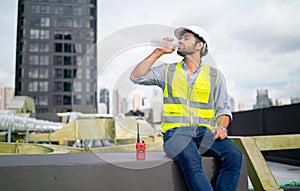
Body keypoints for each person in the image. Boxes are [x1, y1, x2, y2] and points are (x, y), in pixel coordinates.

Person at [130, 25, 242, 191]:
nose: (180, 41)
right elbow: (136, 77)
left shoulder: (215, 75)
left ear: (199, 45)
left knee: (234, 156)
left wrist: (221, 127)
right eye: (180, 38)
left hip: (205, 133)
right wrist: (158, 52)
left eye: (186, 38)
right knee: (191, 159)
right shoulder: (167, 71)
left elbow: (223, 109)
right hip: (175, 133)